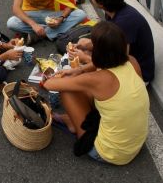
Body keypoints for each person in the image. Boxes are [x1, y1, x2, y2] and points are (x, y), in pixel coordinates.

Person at [44, 21, 149, 166]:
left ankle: (75, 125)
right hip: (135, 144)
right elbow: (100, 64)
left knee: (68, 89)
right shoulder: (132, 61)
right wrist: (80, 69)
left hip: (108, 153)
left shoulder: (98, 79)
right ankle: (73, 119)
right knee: (90, 91)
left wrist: (55, 75)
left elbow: (50, 85)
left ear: (98, 52)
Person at [90, 0, 155, 83]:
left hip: (138, 75)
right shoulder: (113, 10)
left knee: (90, 82)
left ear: (101, 4)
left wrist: (87, 60)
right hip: (127, 60)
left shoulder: (124, 23)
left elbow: (120, 61)